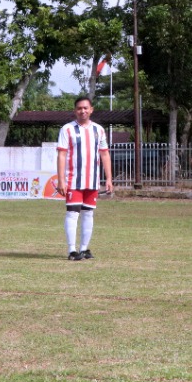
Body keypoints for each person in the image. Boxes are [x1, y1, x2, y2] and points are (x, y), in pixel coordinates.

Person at [57, 96, 113, 260]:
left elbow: (104, 154)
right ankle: (72, 250)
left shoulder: (99, 130)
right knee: (73, 213)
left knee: (88, 213)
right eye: (79, 108)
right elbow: (61, 154)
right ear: (75, 111)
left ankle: (84, 249)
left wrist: (108, 179)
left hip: (92, 180)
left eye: (85, 108)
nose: (82, 111)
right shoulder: (67, 129)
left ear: (91, 110)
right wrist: (61, 180)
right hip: (73, 180)